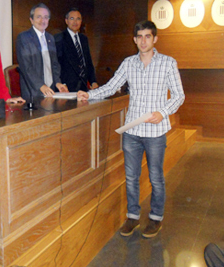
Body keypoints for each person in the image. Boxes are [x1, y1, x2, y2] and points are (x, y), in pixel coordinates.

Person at [77, 20, 185, 238]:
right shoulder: (128, 63)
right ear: (134, 40)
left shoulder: (168, 63)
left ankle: (156, 217)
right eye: (139, 37)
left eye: (148, 36)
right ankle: (132, 216)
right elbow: (111, 86)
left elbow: (179, 95)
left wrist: (162, 113)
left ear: (155, 39)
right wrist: (89, 94)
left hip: (155, 132)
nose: (143, 41)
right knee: (131, 177)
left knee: (156, 177)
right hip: (132, 131)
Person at [16, 3, 68, 99]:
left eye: (45, 17)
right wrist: (41, 85)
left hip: (50, 90)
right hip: (33, 91)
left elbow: (54, 64)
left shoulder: (50, 38)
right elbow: (26, 66)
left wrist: (57, 82)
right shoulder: (24, 37)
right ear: (31, 20)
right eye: (38, 17)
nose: (42, 20)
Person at [55, 8, 98, 92]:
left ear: (81, 21)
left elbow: (88, 62)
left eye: (78, 19)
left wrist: (93, 81)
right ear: (66, 21)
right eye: (72, 19)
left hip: (83, 86)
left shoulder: (83, 39)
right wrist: (61, 83)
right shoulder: (59, 38)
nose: (75, 22)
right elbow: (56, 63)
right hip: (66, 87)